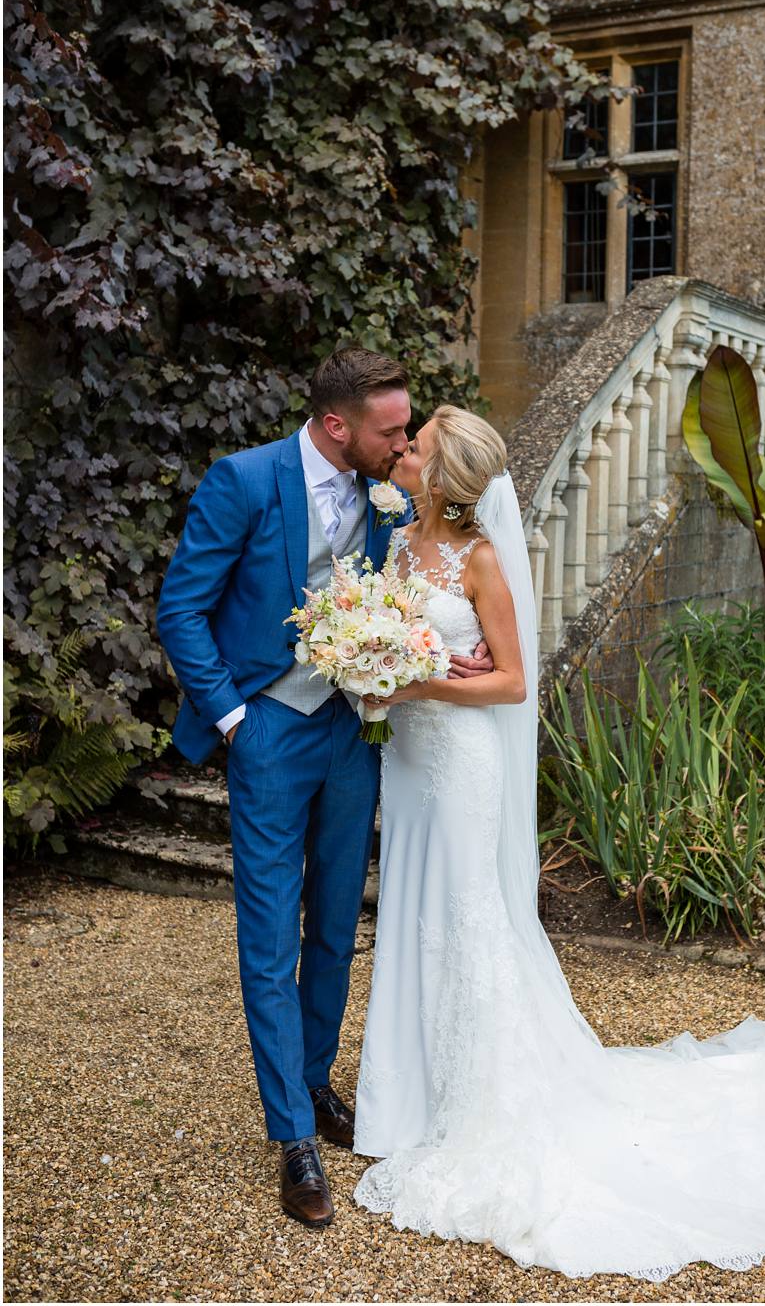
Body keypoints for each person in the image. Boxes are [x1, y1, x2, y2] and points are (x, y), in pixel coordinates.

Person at [351, 403, 765, 1282]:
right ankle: (400, 1104)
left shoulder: (480, 559)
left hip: (461, 766)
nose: (403, 451)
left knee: (469, 923)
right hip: (408, 768)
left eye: (418, 446)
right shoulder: (400, 546)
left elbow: (514, 683)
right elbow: (390, 641)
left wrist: (419, 681)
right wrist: (373, 672)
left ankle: (473, 1108)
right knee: (410, 912)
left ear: (444, 475)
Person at [155, 351, 493, 1229]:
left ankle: (313, 1081)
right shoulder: (244, 480)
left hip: (353, 728)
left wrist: (441, 658)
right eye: (392, 430)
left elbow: (404, 597)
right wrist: (234, 720)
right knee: (270, 934)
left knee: (338, 926)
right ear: (337, 425)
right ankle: (294, 1135)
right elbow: (180, 609)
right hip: (268, 728)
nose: (404, 444)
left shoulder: (387, 496)